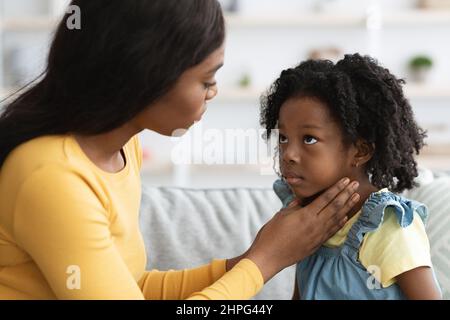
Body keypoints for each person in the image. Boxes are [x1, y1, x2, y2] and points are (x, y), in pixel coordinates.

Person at [0, 0, 360, 300]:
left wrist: (248, 260)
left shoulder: (122, 152)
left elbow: (133, 287)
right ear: (146, 73)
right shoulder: (52, 176)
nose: (213, 91)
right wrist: (267, 260)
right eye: (207, 78)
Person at [260, 53, 442, 300]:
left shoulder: (387, 229)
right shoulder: (306, 221)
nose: (288, 154)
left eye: (309, 139)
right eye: (283, 138)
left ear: (360, 150)